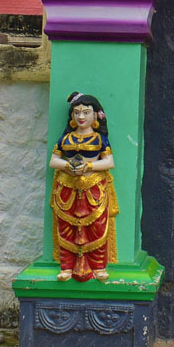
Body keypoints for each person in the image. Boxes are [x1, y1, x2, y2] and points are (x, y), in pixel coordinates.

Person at [50, 92, 117, 282]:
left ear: (95, 116)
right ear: (71, 116)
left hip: (93, 189)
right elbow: (53, 161)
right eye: (77, 113)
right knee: (66, 227)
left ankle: (98, 267)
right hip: (67, 188)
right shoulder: (66, 139)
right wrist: (67, 165)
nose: (81, 117)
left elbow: (109, 162)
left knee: (96, 226)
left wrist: (89, 166)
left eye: (86, 112)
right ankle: (66, 267)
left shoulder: (99, 139)